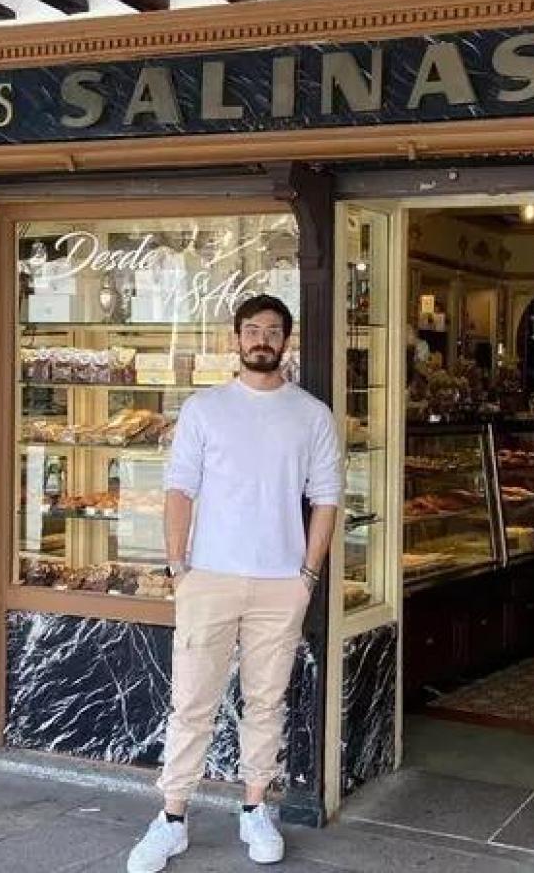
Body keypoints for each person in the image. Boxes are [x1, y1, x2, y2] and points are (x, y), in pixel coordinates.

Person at [128, 294, 342, 871]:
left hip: (281, 584)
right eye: (252, 330)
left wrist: (308, 574)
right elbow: (178, 490)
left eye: (273, 330)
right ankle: (172, 817)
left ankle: (255, 808)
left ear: (286, 341)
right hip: (210, 578)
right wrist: (180, 567)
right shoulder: (205, 409)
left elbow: (326, 499)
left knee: (265, 702)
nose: (262, 339)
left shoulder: (312, 415)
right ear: (236, 339)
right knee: (192, 701)